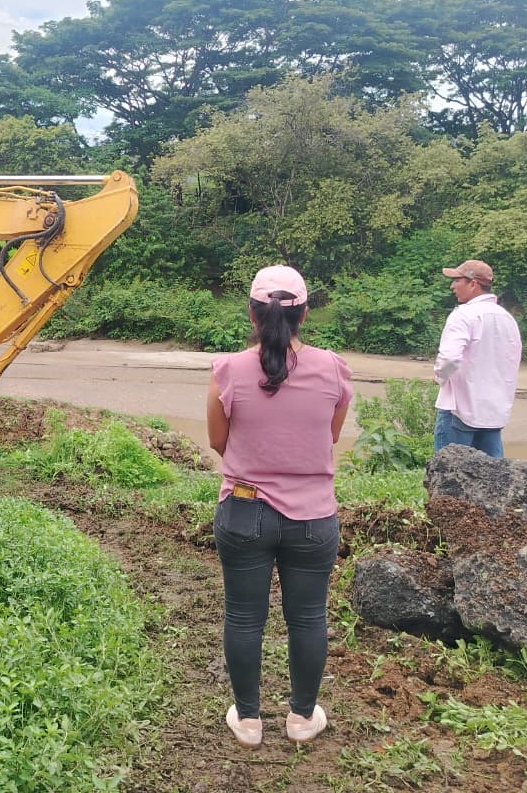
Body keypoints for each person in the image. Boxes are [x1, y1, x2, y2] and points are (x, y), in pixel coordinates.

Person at [207, 265, 352, 748]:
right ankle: (302, 718)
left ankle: (249, 722)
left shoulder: (227, 369)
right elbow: (329, 437)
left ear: (252, 314)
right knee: (308, 618)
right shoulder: (333, 368)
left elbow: (218, 441)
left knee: (244, 617)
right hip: (313, 517)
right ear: (304, 314)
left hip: (244, 511)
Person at [433, 260, 522, 458]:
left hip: (459, 410)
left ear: (473, 284)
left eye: (457, 280)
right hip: (493, 413)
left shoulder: (463, 315)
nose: (452, 286)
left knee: (450, 472)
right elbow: (512, 361)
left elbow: (449, 359)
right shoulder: (507, 318)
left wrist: (439, 377)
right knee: (494, 475)